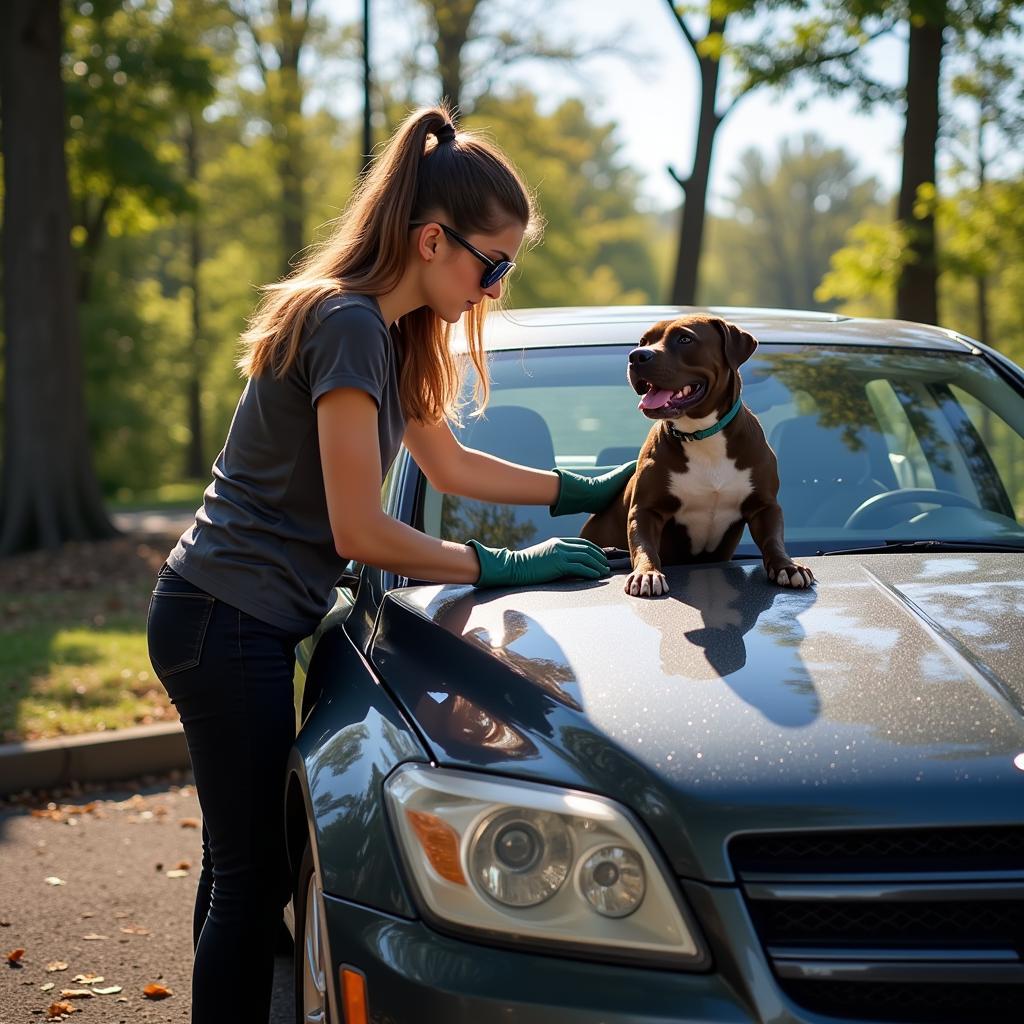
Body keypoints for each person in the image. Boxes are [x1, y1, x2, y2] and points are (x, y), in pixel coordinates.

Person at [145, 103, 634, 1023]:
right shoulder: (348, 325)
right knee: (253, 883)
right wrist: (503, 566)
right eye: (492, 264)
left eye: (508, 268)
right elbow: (360, 531)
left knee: (234, 864)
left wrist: (578, 487)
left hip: (225, 614)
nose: (495, 288)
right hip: (224, 619)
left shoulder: (392, 330)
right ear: (431, 239)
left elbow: (448, 464)